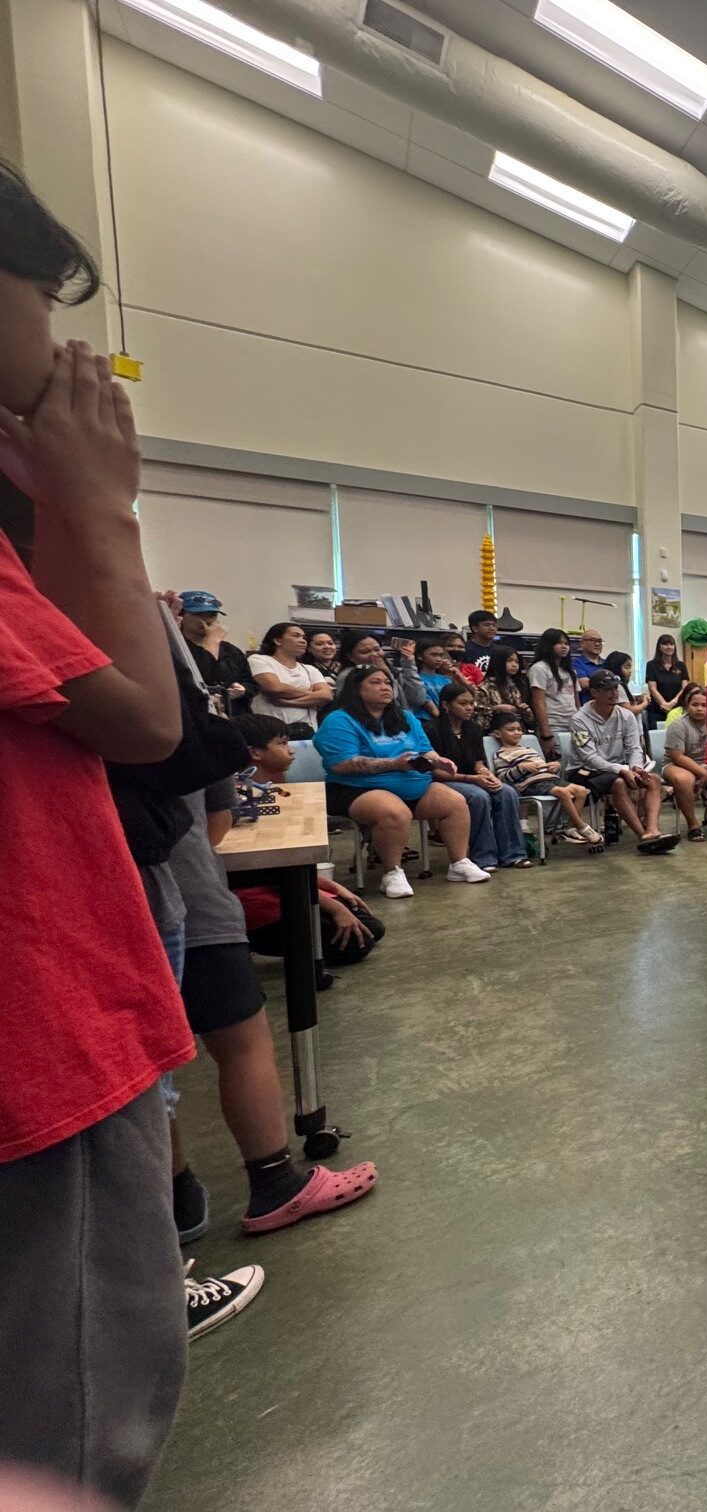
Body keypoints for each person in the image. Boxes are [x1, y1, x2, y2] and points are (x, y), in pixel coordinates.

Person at [0, 169, 196, 1504]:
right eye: (40, 295)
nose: (67, 341)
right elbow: (142, 718)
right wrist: (95, 497)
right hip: (36, 1039)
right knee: (69, 1432)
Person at [167, 780, 378, 1246]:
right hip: (190, 899)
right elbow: (218, 825)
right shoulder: (180, 728)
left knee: (147, 1068)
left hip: (108, 905)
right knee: (243, 1044)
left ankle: (174, 1198)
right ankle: (273, 1181)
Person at [313, 667, 489, 896]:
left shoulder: (405, 717)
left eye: (387, 682)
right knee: (395, 813)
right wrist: (392, 764)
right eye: (376, 682)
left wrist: (438, 760)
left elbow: (425, 750)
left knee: (455, 802)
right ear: (356, 690)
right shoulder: (339, 720)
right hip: (357, 787)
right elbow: (342, 763)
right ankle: (392, 873)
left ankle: (459, 863)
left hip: (412, 780)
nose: (385, 687)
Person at [230, 715, 390, 966]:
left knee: (369, 926)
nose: (291, 750)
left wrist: (333, 888)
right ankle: (255, 943)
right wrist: (332, 905)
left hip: (280, 881)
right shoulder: (236, 798)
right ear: (255, 753)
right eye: (282, 744)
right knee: (357, 942)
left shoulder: (272, 787)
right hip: (256, 895)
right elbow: (266, 872)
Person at [428, 681, 532, 870]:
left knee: (506, 792)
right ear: (445, 705)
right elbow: (436, 772)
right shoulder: (432, 729)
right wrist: (472, 779)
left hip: (471, 779)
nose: (470, 708)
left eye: (471, 703)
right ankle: (483, 857)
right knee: (479, 797)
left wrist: (486, 775)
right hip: (444, 781)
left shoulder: (473, 729)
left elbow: (478, 762)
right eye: (463, 703)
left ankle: (513, 854)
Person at [571, 669, 677, 853]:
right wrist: (622, 770)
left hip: (621, 768)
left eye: (615, 688)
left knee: (651, 779)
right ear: (594, 692)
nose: (614, 693)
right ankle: (642, 835)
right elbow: (589, 757)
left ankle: (652, 829)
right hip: (585, 771)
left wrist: (636, 767)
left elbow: (634, 747)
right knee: (619, 783)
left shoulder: (626, 715)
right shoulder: (579, 720)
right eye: (607, 689)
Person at [490, 712, 602, 847]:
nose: (517, 733)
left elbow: (543, 765)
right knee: (563, 792)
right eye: (511, 730)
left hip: (549, 779)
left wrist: (554, 766)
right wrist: (522, 767)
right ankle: (582, 826)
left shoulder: (529, 749)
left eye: (519, 729)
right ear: (497, 734)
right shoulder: (501, 753)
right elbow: (503, 777)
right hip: (531, 783)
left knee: (581, 790)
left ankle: (570, 828)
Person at [174, 590, 252, 715]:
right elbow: (200, 676)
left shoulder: (231, 651)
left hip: (235, 715)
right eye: (198, 615)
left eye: (212, 615)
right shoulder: (176, 648)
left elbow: (251, 682)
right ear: (181, 616)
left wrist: (243, 689)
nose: (207, 621)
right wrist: (213, 641)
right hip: (200, 716)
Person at [246, 621, 332, 732]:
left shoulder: (310, 669)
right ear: (277, 640)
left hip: (307, 732)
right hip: (270, 732)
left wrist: (289, 702)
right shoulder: (259, 659)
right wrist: (313, 695)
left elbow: (326, 695)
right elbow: (275, 688)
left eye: (304, 637)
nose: (303, 641)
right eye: (296, 636)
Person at [660, 685, 707, 841]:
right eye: (695, 705)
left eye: (704, 705)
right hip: (676, 764)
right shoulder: (678, 725)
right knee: (684, 780)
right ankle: (693, 825)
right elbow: (677, 756)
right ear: (686, 706)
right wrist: (702, 771)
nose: (699, 709)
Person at [333, 628, 427, 715]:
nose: (374, 655)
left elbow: (417, 699)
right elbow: (387, 701)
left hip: (401, 722)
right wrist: (386, 674)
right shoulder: (348, 675)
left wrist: (408, 664)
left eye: (377, 649)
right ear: (350, 656)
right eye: (365, 652)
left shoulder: (392, 669)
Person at [528, 628, 578, 759]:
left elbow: (576, 701)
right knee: (559, 763)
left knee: (579, 761)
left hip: (574, 725)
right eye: (559, 643)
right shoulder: (539, 668)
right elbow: (538, 703)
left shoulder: (570, 671)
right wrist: (546, 734)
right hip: (553, 726)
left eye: (567, 644)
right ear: (548, 645)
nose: (564, 647)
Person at [475, 647, 537, 733]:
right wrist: (495, 709)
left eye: (517, 661)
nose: (514, 665)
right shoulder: (485, 686)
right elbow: (477, 716)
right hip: (494, 733)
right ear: (499, 661)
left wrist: (526, 711)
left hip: (519, 732)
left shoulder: (521, 685)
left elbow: (531, 721)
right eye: (509, 661)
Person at [642, 633, 689, 730]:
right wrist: (664, 704)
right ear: (659, 647)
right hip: (657, 710)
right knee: (657, 740)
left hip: (677, 709)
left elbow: (684, 687)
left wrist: (673, 703)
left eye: (671, 644)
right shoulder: (651, 665)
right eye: (665, 644)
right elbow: (652, 688)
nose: (669, 647)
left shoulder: (681, 665)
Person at [599, 649, 648, 716]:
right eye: (627, 667)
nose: (630, 671)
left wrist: (639, 701)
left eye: (630, 668)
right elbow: (630, 711)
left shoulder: (623, 685)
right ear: (616, 668)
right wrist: (645, 703)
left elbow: (630, 706)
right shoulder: (617, 687)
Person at [416, 642, 459, 713]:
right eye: (433, 655)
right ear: (420, 656)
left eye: (441, 655)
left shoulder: (446, 679)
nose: (439, 659)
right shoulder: (416, 679)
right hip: (425, 720)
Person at [461, 609, 502, 678]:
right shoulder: (464, 648)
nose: (492, 628)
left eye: (494, 625)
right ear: (475, 628)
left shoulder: (500, 650)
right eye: (487, 625)